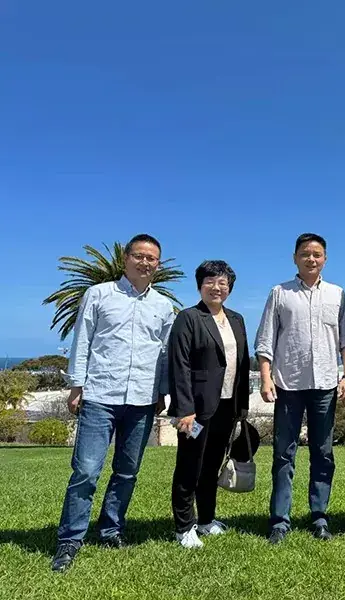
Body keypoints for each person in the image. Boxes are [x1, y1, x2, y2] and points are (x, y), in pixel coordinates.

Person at [52, 234, 175, 572]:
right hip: (100, 395)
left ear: (158, 264)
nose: (145, 262)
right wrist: (76, 385)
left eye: (152, 258)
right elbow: (82, 340)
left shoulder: (163, 306)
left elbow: (164, 354)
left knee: (127, 472)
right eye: (139, 256)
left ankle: (111, 529)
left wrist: (162, 393)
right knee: (86, 471)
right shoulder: (98, 294)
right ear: (126, 259)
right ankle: (70, 539)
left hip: (142, 399)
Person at [255, 233, 345, 544]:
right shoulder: (279, 293)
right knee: (283, 454)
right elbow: (265, 340)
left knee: (323, 453)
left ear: (325, 259)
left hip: (325, 384)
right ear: (295, 258)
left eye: (317, 254)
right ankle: (279, 521)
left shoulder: (337, 295)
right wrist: (266, 377)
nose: (311, 258)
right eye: (305, 253)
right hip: (288, 385)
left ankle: (319, 516)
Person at [167, 260, 251, 548]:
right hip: (196, 410)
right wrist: (184, 409)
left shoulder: (237, 319)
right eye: (210, 282)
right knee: (189, 465)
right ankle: (184, 526)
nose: (216, 288)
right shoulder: (188, 318)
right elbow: (179, 365)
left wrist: (241, 406)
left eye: (222, 283)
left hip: (227, 406)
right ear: (200, 286)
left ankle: (206, 520)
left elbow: (243, 363)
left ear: (230, 288)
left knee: (212, 465)